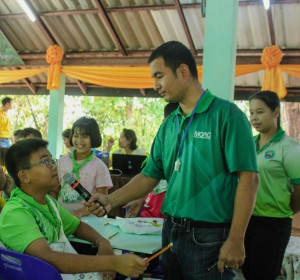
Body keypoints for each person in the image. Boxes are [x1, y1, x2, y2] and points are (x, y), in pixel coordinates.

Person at [86, 40, 259, 280]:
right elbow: (149, 176)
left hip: (209, 236)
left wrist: (236, 238)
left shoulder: (227, 116)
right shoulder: (169, 124)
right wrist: (109, 199)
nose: (155, 85)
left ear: (183, 72)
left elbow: (249, 180)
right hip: (170, 232)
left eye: (159, 76)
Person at [0, 138, 148, 279]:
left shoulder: (47, 201)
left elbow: (77, 226)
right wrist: (112, 262)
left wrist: (102, 242)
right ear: (24, 176)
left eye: (52, 160)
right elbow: (49, 259)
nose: (54, 166)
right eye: (46, 162)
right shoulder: (15, 212)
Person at [242, 90, 300, 280]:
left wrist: (286, 209)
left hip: (274, 223)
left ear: (276, 112)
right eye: (251, 113)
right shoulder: (249, 145)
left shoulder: (289, 147)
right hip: (247, 220)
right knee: (247, 273)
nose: (254, 118)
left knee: (264, 275)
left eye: (260, 112)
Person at [124, 102, 179, 219]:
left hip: (172, 218)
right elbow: (148, 178)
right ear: (164, 122)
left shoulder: (190, 150)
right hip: (149, 214)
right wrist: (140, 199)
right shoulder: (160, 146)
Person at [58, 117, 113, 218]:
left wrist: (79, 213)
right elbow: (55, 190)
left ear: (94, 138)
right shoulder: (62, 161)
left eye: (84, 136)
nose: (79, 140)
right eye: (75, 135)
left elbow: (101, 202)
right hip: (63, 217)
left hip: (88, 219)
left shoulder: (99, 166)